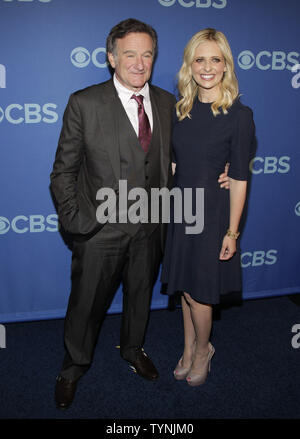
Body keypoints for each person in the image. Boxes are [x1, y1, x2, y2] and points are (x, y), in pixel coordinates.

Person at [50, 19, 229, 409]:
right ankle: (73, 366)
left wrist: (225, 170)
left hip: (152, 226)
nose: (139, 63)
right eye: (129, 54)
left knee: (140, 296)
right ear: (112, 57)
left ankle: (132, 349)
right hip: (100, 229)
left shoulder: (169, 103)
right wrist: (77, 221)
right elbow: (63, 171)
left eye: (147, 54)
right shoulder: (85, 102)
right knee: (86, 303)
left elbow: (193, 152)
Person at [161, 28, 255, 386]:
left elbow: (241, 177)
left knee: (201, 293)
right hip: (181, 209)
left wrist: (233, 230)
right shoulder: (179, 110)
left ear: (226, 65)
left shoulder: (239, 115)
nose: (207, 67)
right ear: (190, 64)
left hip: (213, 214)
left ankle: (204, 350)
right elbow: (173, 165)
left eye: (215, 59)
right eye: (200, 59)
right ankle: (188, 349)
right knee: (186, 288)